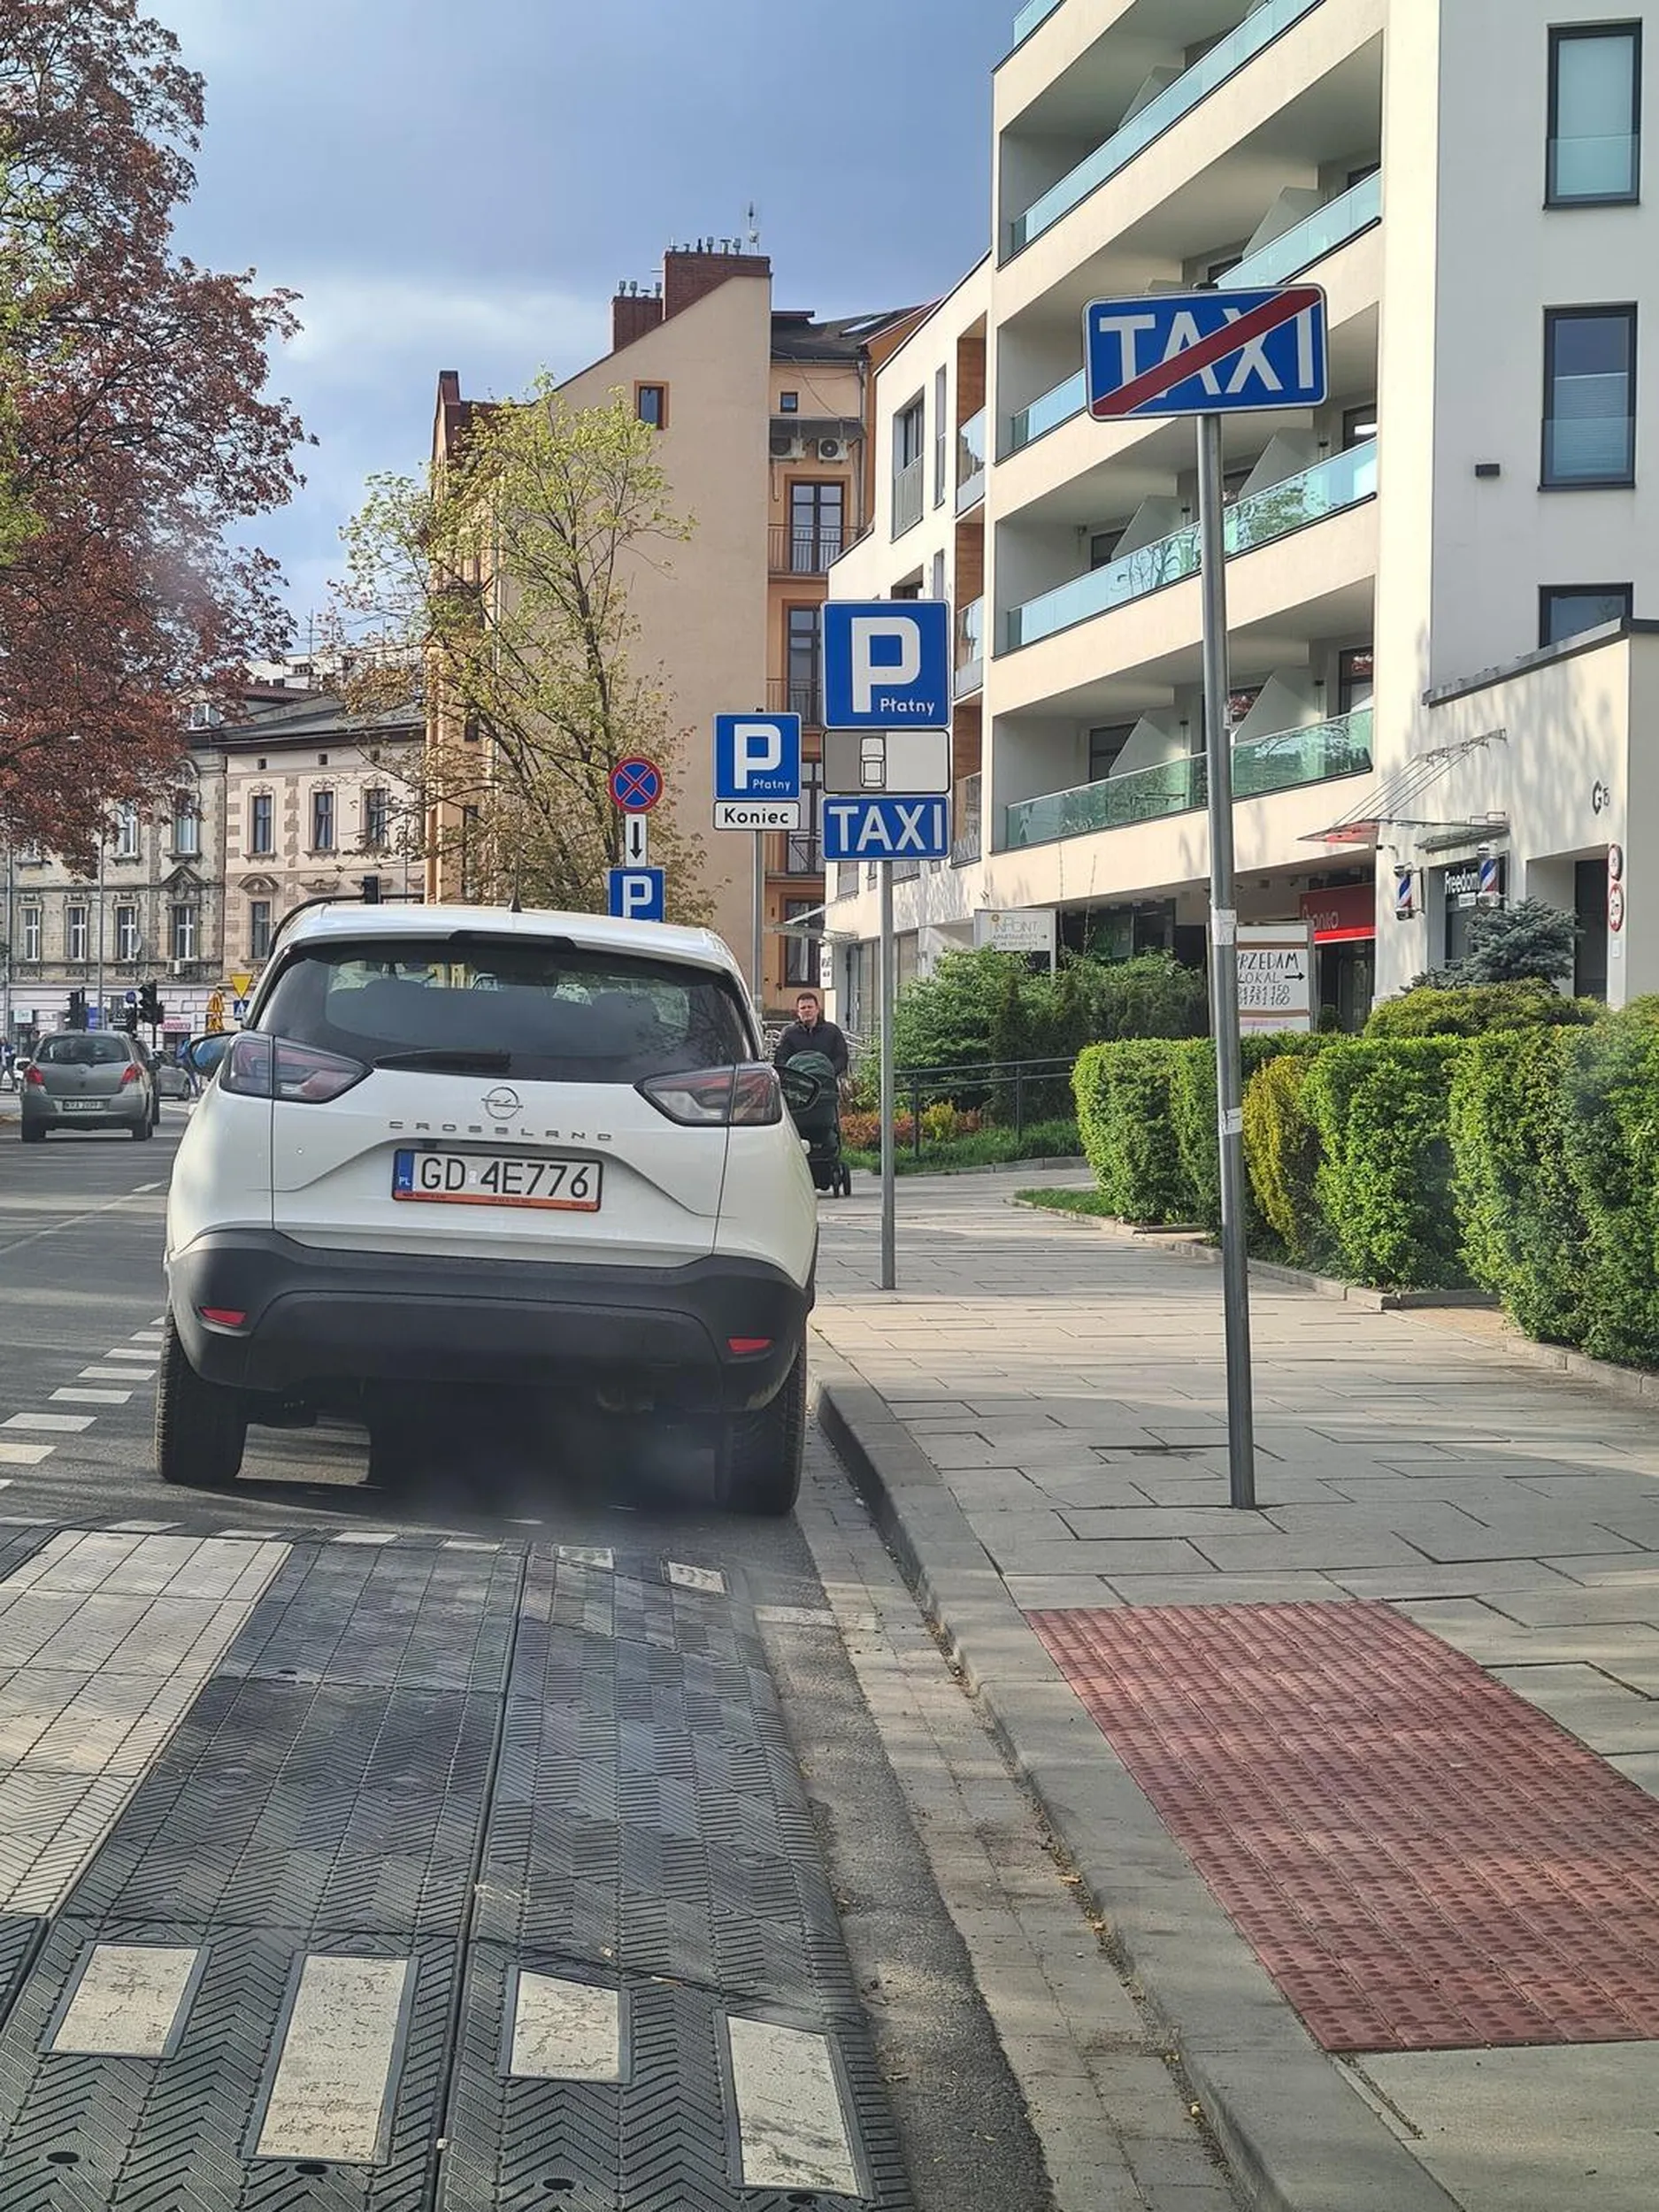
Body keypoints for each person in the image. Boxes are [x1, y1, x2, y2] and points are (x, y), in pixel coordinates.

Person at [772, 987, 849, 1080]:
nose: (807, 1010)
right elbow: (781, 1059)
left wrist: (830, 1072)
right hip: (797, 1084)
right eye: (803, 1008)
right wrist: (793, 1077)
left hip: (827, 1083)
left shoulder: (832, 1031)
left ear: (817, 1009)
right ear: (798, 1012)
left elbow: (841, 1057)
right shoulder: (789, 1033)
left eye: (810, 1007)